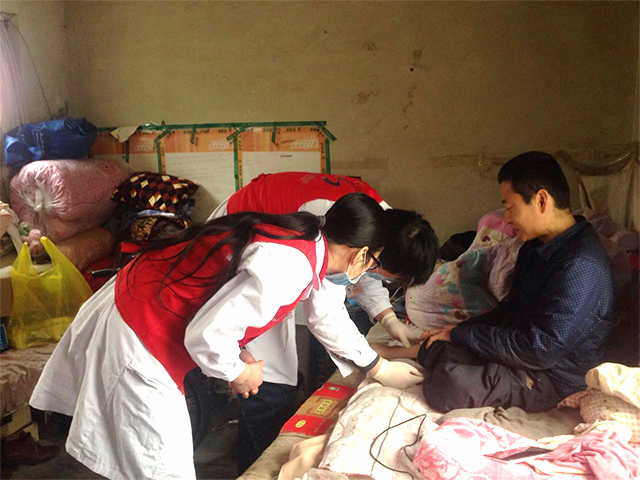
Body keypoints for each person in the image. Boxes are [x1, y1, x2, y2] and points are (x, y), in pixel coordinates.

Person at [30, 193, 424, 480]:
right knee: (162, 467)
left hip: (141, 302)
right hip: (141, 330)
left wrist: (241, 355)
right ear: (360, 254)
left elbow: (230, 305)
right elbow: (207, 335)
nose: (367, 272)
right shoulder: (293, 265)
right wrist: (238, 371)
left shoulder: (307, 237)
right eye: (372, 263)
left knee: (145, 460)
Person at [207, 171, 439, 472]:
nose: (372, 274)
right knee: (272, 383)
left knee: (273, 377)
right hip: (230, 245)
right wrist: (379, 368)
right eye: (383, 273)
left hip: (258, 248)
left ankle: (250, 451)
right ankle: (253, 466)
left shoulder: (383, 224)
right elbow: (326, 315)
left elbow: (366, 272)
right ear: (365, 253)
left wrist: (388, 317)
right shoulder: (307, 255)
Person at [414, 151, 615, 413]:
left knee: (450, 385)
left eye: (510, 207)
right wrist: (457, 331)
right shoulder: (535, 247)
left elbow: (541, 350)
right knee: (436, 348)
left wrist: (462, 335)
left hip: (551, 377)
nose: (507, 219)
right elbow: (509, 310)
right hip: (519, 354)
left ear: (541, 200)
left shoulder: (581, 265)